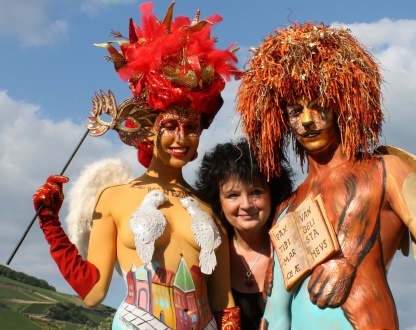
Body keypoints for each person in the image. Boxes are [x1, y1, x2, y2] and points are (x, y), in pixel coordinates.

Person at [32, 2, 242, 329]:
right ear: (149, 127)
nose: (181, 138)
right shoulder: (114, 198)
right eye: (171, 125)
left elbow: (221, 300)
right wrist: (51, 225)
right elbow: (93, 293)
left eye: (191, 128)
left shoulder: (209, 206)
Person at [236, 22, 416, 329]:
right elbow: (278, 306)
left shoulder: (388, 170)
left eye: (319, 107)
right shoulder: (287, 207)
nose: (307, 121)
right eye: (295, 111)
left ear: (341, 107)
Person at [195, 138, 294, 330]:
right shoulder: (208, 259)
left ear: (272, 195)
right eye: (233, 195)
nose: (246, 205)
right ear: (218, 202)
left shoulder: (292, 249)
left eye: (256, 192)